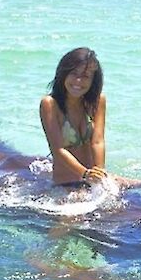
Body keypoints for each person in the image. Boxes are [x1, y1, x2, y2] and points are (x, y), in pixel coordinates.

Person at [39, 47, 109, 187]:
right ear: (63, 73)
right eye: (74, 74)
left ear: (93, 80)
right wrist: (85, 174)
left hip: (92, 178)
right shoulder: (50, 104)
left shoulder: (97, 101)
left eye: (85, 76)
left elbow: (98, 141)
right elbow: (58, 150)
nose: (78, 81)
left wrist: (99, 173)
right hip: (66, 183)